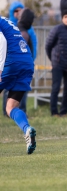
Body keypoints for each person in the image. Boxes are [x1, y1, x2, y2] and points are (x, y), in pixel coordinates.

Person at [0, 15, 36, 154]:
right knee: (11, 107)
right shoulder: (5, 20)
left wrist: (0, 67)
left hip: (11, 62)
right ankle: (27, 129)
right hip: (26, 62)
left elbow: (2, 41)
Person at [2, 2, 37, 116]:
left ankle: (11, 112)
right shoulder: (21, 31)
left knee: (9, 95)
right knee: (12, 102)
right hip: (24, 66)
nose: (17, 13)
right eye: (16, 11)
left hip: (13, 65)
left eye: (20, 12)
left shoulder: (17, 30)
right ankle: (17, 115)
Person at [45, 9, 67, 117]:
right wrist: (54, 59)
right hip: (58, 64)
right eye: (65, 17)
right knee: (56, 88)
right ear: (62, 18)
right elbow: (48, 46)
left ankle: (64, 112)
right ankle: (54, 112)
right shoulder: (57, 29)